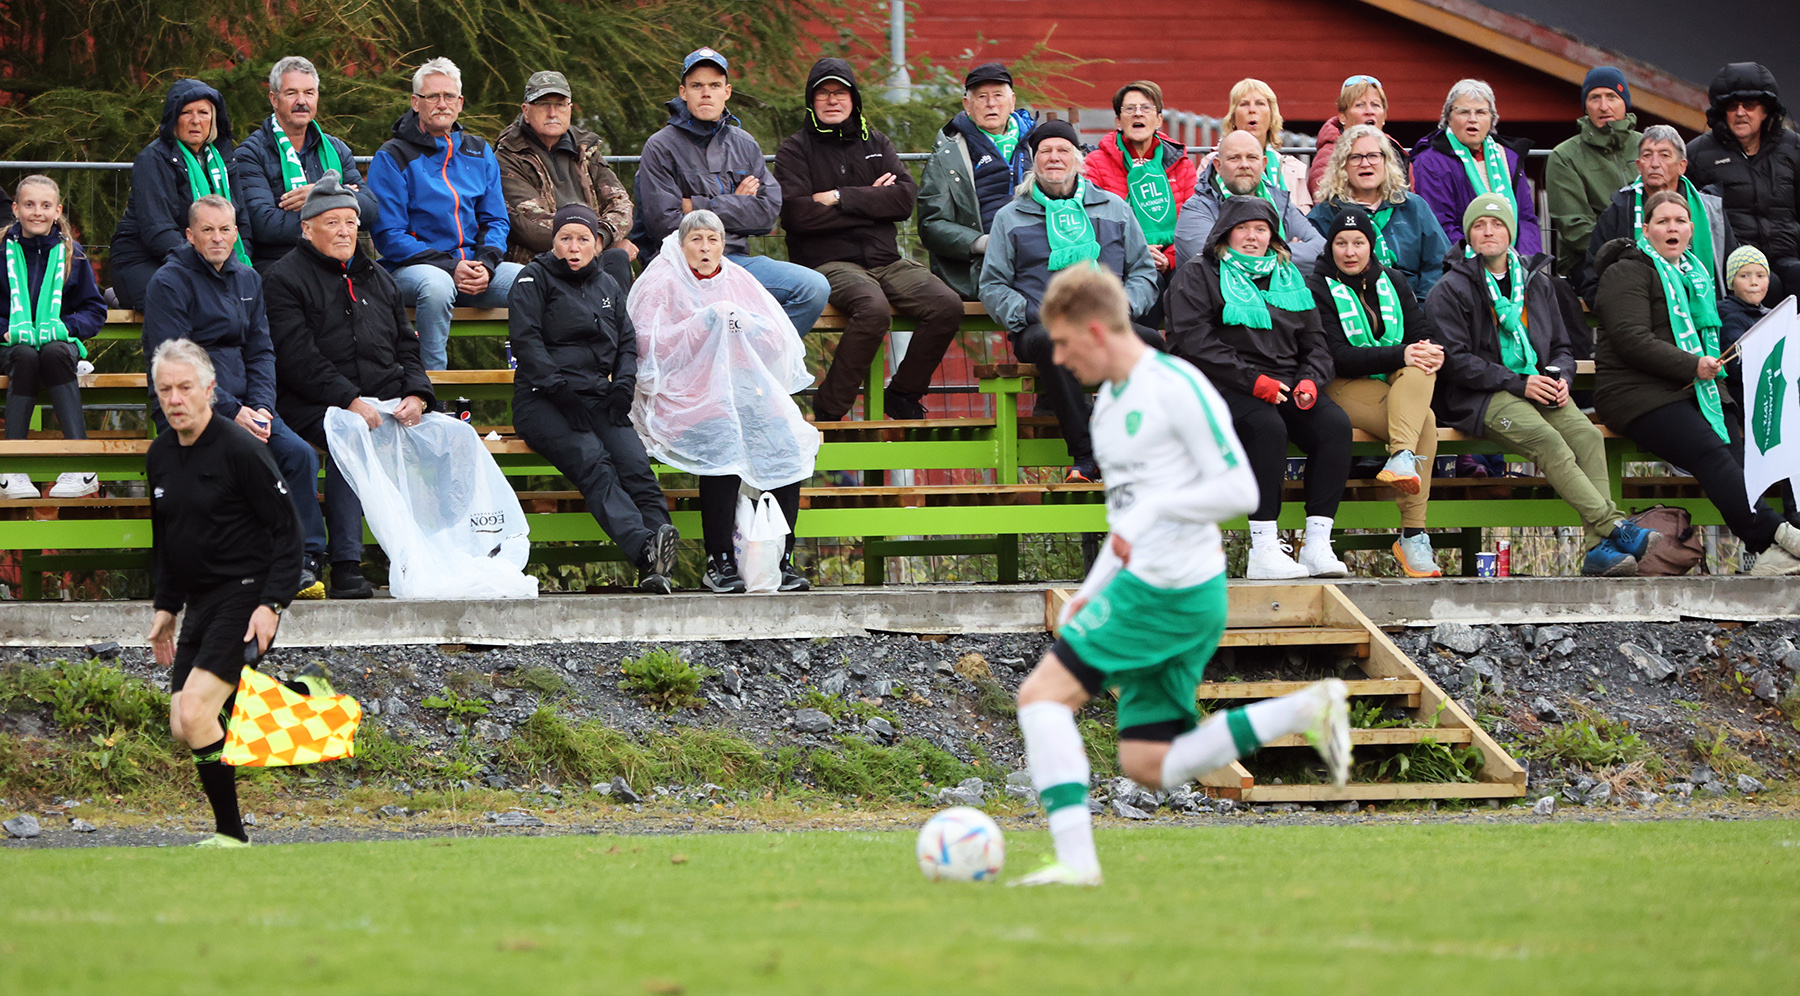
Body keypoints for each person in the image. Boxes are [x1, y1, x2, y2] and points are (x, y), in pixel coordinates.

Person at [1009, 263, 1349, 887]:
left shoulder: (1175, 385)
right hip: (1168, 592)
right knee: (1149, 763)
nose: (1055, 355)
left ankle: (1076, 863)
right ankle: (1304, 710)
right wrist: (1089, 589)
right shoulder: (1109, 402)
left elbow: (1241, 488)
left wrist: (1160, 511)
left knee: (1040, 698)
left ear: (1093, 330)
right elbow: (1124, 520)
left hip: (1167, 591)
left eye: (1060, 341)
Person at [1426, 193, 1655, 576]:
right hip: (1482, 397)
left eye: (1497, 224)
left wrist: (1562, 378)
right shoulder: (1449, 288)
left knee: (1588, 437)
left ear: (1511, 232)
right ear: (1468, 235)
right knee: (1549, 442)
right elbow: (1456, 361)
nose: (1488, 231)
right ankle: (1614, 525)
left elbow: (1563, 347)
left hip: (1538, 386)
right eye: (1479, 225)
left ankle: (1599, 550)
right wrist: (1519, 382)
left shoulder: (1538, 283)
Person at [145, 337, 303, 847]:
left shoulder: (240, 451)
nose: (174, 398)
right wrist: (166, 607)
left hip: (247, 593)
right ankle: (294, 700)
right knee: (182, 724)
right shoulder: (160, 455)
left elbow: (288, 532)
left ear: (209, 390)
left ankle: (231, 836)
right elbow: (166, 539)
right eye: (165, 389)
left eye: (185, 387)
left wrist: (272, 604)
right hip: (199, 603)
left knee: (195, 714)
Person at [1592, 191, 1800, 575]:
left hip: (1693, 388)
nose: (1672, 227)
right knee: (1709, 450)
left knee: (1734, 450)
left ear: (1691, 230)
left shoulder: (1697, 274)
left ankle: (1768, 551)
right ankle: (1784, 537)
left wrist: (1715, 386)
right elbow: (1630, 339)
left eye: (1680, 221)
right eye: (1663, 221)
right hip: (1634, 392)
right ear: (1646, 229)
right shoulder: (1626, 271)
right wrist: (1693, 366)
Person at [141, 195, 329, 599]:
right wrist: (231, 410)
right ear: (190, 235)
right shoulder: (168, 283)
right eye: (207, 230)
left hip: (248, 404)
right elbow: (178, 365)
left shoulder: (248, 279)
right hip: (189, 408)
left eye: (225, 229)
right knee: (236, 461)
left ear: (236, 233)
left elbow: (261, 350)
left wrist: (260, 407)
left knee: (299, 455)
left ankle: (303, 563)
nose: (217, 238)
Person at [628, 210, 818, 594]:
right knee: (722, 441)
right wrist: (702, 323)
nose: (705, 248)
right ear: (682, 245)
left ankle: (781, 556)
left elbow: (776, 337)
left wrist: (746, 324)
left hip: (741, 389)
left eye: (713, 240)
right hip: (683, 394)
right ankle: (720, 560)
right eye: (696, 240)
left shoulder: (736, 277)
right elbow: (647, 347)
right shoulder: (662, 280)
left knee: (787, 440)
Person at [264, 173, 435, 599]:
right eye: (332, 222)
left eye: (350, 222)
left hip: (386, 398)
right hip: (312, 403)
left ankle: (439, 554)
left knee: (449, 436)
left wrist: (417, 394)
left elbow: (406, 344)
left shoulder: (378, 277)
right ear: (307, 228)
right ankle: (345, 565)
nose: (344, 231)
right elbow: (298, 359)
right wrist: (349, 399)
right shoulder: (283, 279)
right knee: (349, 434)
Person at [1166, 195, 1351, 580]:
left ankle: (1317, 542)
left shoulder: (1289, 276)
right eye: (1243, 229)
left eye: (1261, 229)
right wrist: (1253, 381)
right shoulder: (1199, 273)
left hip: (1285, 382)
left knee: (1334, 425)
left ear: (1273, 236)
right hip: (1220, 382)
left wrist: (1309, 381)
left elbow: (1317, 344)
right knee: (1267, 428)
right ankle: (1264, 547)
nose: (1252, 237)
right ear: (1225, 233)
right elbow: (1195, 342)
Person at [774, 58, 961, 421]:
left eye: (840, 92)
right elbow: (797, 214)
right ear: (811, 101)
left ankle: (903, 393)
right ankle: (828, 410)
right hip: (827, 262)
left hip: (885, 259)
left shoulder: (876, 142)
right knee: (872, 309)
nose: (832, 100)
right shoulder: (795, 149)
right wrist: (872, 201)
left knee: (946, 305)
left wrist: (840, 197)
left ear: (853, 99)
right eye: (823, 93)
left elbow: (904, 200)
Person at [978, 120, 1162, 483]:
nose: (1054, 158)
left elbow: (1143, 271)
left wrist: (1122, 308)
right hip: (1040, 326)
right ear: (1033, 161)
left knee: (1153, 343)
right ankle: (1086, 456)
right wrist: (1032, 313)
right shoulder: (1010, 216)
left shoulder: (1114, 208)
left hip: (1105, 321)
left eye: (1063, 150)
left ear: (1079, 159)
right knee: (1053, 343)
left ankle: (1143, 451)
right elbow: (993, 285)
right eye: (1045, 151)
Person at [509, 204, 679, 592]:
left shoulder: (607, 286)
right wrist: (558, 389)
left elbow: (626, 343)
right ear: (553, 242)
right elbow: (527, 342)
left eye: (583, 239)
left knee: (636, 466)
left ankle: (659, 567)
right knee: (594, 462)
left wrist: (623, 385)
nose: (574, 246)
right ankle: (644, 549)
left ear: (597, 245)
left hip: (597, 395)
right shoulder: (532, 279)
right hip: (544, 399)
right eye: (565, 238)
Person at [629, 47, 829, 336]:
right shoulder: (660, 146)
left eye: (714, 85)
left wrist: (694, 205)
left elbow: (765, 216)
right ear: (683, 92)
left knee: (813, 288)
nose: (706, 93)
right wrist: (736, 203)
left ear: (728, 91)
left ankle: (755, 362)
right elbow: (665, 223)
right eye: (697, 86)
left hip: (734, 261)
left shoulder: (744, 144)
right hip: (680, 268)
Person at [1306, 207, 1445, 578]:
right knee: (1425, 424)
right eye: (1341, 243)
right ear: (1330, 247)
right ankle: (1413, 534)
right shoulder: (1317, 286)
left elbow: (1419, 331)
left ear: (1371, 246)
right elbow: (1337, 356)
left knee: (1421, 365)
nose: (1350, 252)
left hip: (1391, 381)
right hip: (1342, 384)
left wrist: (1427, 351)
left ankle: (1402, 459)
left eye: (1358, 243)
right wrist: (1403, 352)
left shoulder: (1394, 280)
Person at [366, 57, 522, 372]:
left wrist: (487, 265)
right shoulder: (392, 156)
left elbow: (496, 220)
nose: (442, 104)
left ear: (460, 103)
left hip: (474, 270)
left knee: (530, 281)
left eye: (449, 96)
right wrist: (451, 267)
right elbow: (389, 236)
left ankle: (533, 383)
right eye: (432, 96)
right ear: (415, 102)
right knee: (437, 285)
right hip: (413, 271)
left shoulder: (479, 151)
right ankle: (432, 389)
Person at [0, 175, 107, 501]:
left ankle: (81, 464)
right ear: (15, 209)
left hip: (56, 344)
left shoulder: (72, 256)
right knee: (26, 354)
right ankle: (11, 469)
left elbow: (94, 310)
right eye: (29, 205)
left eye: (45, 205)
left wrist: (64, 328)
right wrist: (5, 329)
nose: (37, 212)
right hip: (8, 346)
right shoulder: (0, 252)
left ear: (57, 210)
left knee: (53, 352)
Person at [109, 78, 251, 311]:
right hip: (145, 260)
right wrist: (209, 261)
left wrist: (234, 263)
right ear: (173, 118)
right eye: (186, 112)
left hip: (211, 257)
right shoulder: (153, 159)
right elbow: (157, 232)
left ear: (214, 118)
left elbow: (242, 221)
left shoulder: (224, 161)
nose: (196, 121)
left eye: (204, 112)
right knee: (190, 302)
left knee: (249, 297)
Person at [231, 56, 379, 274]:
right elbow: (265, 225)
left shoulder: (336, 149)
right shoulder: (251, 153)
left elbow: (370, 211)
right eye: (292, 93)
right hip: (281, 265)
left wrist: (325, 192)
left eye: (309, 93)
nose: (302, 101)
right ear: (274, 99)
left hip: (341, 262)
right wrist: (340, 206)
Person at [496, 70, 636, 293]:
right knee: (615, 256)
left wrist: (602, 237)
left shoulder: (587, 149)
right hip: (541, 263)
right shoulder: (507, 156)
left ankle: (616, 328)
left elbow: (621, 204)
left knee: (617, 260)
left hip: (595, 256)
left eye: (560, 104)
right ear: (526, 110)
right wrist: (591, 243)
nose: (553, 113)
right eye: (543, 104)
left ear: (570, 109)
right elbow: (529, 224)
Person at [917, 62, 1037, 301]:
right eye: (981, 96)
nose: (991, 104)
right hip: (981, 266)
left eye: (998, 95)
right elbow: (931, 225)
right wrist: (980, 242)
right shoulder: (949, 154)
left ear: (1012, 101)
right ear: (967, 105)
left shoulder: (1038, 146)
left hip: (1037, 256)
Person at [1577, 126, 1735, 307]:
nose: (1654, 163)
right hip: (1636, 316)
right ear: (1638, 165)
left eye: (1664, 155)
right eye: (1647, 155)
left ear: (1682, 166)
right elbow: (1593, 279)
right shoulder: (1620, 210)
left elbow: (1732, 274)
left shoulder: (1709, 210)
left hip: (1702, 314)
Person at [1685, 63, 1800, 304]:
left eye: (1748, 105)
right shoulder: (1696, 154)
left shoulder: (1794, 147)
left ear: (1765, 111)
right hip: (1735, 260)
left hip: (1788, 252)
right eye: (1731, 106)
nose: (1740, 112)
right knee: (1769, 286)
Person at [1308, 124, 1452, 297]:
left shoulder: (1413, 207)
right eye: (1355, 157)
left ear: (1386, 161)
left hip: (1414, 307)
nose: (1365, 163)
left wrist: (1421, 308)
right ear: (1342, 166)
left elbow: (1438, 264)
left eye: (1373, 156)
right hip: (1352, 310)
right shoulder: (1325, 215)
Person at [1410, 79, 1543, 255]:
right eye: (1464, 112)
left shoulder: (1509, 157)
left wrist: (1525, 263)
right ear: (1448, 117)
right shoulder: (1430, 162)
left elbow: (1526, 219)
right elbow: (1440, 226)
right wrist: (1482, 263)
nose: (1473, 119)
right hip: (1460, 266)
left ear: (1492, 119)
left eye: (1481, 112)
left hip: (1514, 263)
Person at [1083, 80, 1198, 278]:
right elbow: (1093, 223)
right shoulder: (1095, 163)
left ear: (1159, 119)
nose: (1138, 113)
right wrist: (1139, 253)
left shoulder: (1181, 163)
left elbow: (1192, 223)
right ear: (1118, 121)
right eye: (1129, 109)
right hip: (1119, 264)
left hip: (1173, 261)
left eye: (1146, 108)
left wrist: (1169, 258)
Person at [1173, 130, 1323, 271]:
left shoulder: (1279, 202)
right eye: (1234, 158)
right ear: (1218, 166)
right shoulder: (1196, 209)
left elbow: (1320, 250)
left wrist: (1250, 254)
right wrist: (1283, 251)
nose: (1244, 165)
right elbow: (1214, 263)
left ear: (1263, 164)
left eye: (1252, 157)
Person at [1546, 67, 1643, 279]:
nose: (1603, 106)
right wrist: (1626, 251)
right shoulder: (1565, 156)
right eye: (1594, 98)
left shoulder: (1646, 146)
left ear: (1625, 103)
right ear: (1585, 106)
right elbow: (1575, 229)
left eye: (1612, 97)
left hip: (1650, 252)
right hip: (1589, 259)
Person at [1205, 78, 1312, 212]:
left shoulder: (1292, 168)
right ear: (1233, 117)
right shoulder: (1210, 164)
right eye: (1244, 104)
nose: (1252, 110)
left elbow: (1304, 221)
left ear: (1272, 116)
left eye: (1260, 103)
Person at [1308, 74, 1406, 200]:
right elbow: (1323, 201)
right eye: (1360, 105)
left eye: (1375, 105)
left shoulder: (1397, 151)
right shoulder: (1329, 154)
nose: (1369, 111)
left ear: (1385, 116)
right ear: (1342, 116)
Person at [1718, 245, 1771, 382]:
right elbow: (1738, 368)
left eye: (1760, 276)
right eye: (1744, 276)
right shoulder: (1730, 316)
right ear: (1731, 282)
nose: (1753, 283)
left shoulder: (1770, 315)